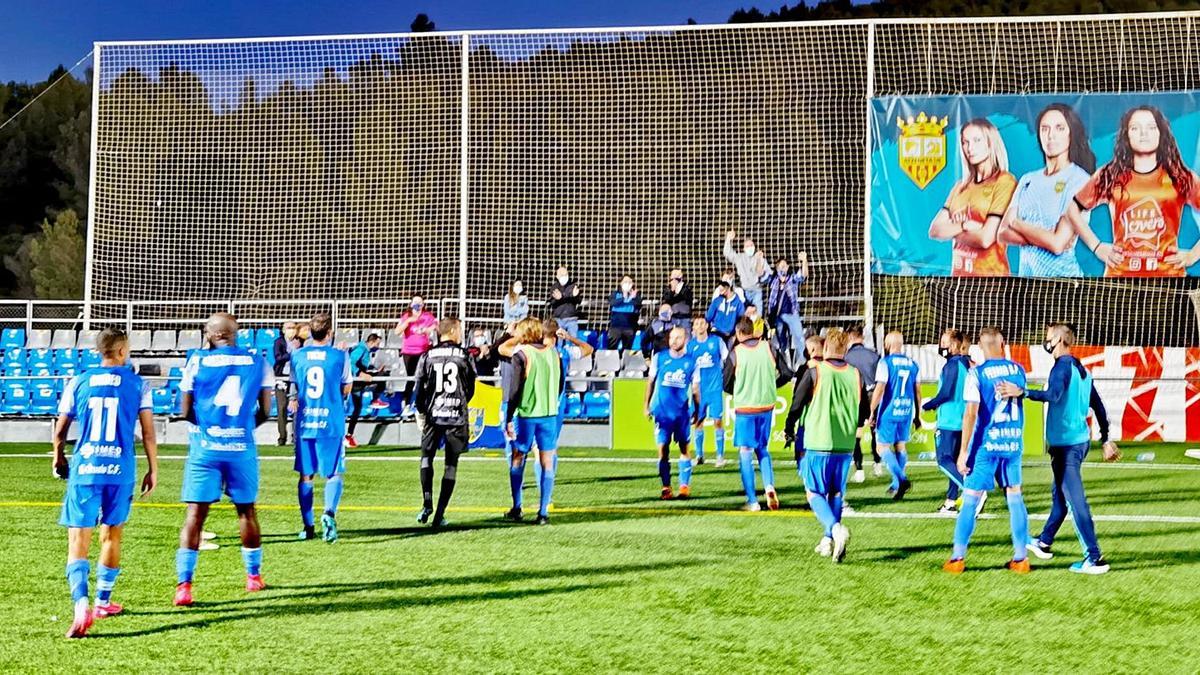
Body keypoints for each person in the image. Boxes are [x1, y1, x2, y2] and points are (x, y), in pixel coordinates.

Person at [53, 328, 158, 638]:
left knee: (78, 539)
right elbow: (149, 434)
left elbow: (60, 431)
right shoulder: (139, 384)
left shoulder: (78, 381)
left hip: (86, 467)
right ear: (123, 352)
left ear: (100, 351)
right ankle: (103, 601)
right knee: (111, 534)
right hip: (120, 469)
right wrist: (153, 469)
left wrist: (58, 457)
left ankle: (80, 604)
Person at [998, 323, 1120, 574]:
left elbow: (1053, 395)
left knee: (1076, 501)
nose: (1046, 342)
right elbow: (1099, 407)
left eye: (1048, 338)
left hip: (1066, 447)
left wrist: (1021, 392)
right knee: (1061, 497)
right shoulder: (1081, 369)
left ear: (1060, 340)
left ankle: (1093, 557)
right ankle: (1044, 541)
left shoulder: (1061, 368)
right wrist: (1105, 439)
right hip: (1077, 443)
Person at [174, 313, 274, 606]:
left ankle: (184, 586)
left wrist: (211, 427)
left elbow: (185, 410)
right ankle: (253, 577)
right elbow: (266, 411)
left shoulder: (197, 361)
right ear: (235, 333)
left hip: (205, 448)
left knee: (195, 515)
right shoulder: (259, 361)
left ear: (211, 334)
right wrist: (238, 429)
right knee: (246, 512)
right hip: (241, 448)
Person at [1062, 105, 1200, 277]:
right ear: (1127, 135)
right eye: (1136, 128)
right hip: (1120, 278)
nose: (1144, 133)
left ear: (1160, 133)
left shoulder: (1179, 176)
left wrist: (1193, 255)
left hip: (1169, 278)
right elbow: (1072, 210)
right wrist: (1097, 247)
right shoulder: (1110, 174)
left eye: (1151, 127)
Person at [943, 327, 1031, 575]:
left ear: (980, 346)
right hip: (1012, 443)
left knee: (970, 498)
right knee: (1015, 498)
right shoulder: (1018, 370)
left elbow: (971, 413)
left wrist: (963, 452)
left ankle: (957, 558)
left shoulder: (976, 374)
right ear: (1002, 342)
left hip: (987, 445)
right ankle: (1021, 558)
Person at [785, 329, 869, 564]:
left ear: (827, 347)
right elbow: (864, 410)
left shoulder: (816, 371)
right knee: (836, 493)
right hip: (845, 445)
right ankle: (827, 540)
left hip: (819, 441)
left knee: (813, 493)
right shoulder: (855, 374)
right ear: (844, 350)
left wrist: (789, 427)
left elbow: (797, 403)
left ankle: (834, 528)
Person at [999, 104, 1096, 277]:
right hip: (1027, 286)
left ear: (1071, 133)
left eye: (1059, 128)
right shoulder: (1027, 180)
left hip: (1064, 286)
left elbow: (1058, 244)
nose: (1051, 135)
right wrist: (1044, 238)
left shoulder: (1080, 181)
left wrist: (1017, 224)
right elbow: (1002, 233)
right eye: (1045, 129)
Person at [289, 313, 353, 542]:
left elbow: (295, 388)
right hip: (331, 422)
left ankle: (307, 527)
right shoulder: (339, 356)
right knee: (333, 472)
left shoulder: (297, 356)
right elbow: (346, 388)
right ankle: (329, 513)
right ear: (329, 333)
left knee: (306, 476)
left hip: (306, 422)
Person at [928, 118, 1018, 276]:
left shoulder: (1005, 181)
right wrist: (964, 225)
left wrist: (950, 230)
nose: (970, 148)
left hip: (991, 281)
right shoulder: (959, 187)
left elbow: (985, 238)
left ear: (990, 143)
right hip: (958, 280)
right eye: (965, 142)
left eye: (977, 140)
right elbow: (935, 231)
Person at [414, 318, 477, 528]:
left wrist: (423, 410)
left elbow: (419, 388)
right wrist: (458, 402)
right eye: (459, 329)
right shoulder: (465, 355)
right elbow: (471, 388)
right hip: (456, 416)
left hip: (433, 415)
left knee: (426, 458)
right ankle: (439, 515)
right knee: (451, 465)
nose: (461, 333)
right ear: (451, 331)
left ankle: (427, 502)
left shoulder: (427, 355)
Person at [503, 318, 565, 525]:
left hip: (527, 414)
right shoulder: (554, 353)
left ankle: (517, 506)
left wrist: (509, 417)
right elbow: (561, 383)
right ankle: (543, 512)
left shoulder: (522, 354)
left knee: (518, 457)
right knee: (547, 461)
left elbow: (514, 389)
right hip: (549, 414)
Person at [723, 316, 788, 511]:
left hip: (746, 408)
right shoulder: (769, 347)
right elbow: (786, 373)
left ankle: (752, 500)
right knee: (763, 448)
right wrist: (771, 385)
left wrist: (739, 390)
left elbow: (725, 382)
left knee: (745, 452)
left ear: (738, 332)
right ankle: (769, 487)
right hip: (766, 406)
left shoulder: (736, 353)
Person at [922, 329, 973, 514]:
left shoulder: (952, 365)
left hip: (949, 421)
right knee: (956, 462)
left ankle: (971, 490)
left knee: (944, 460)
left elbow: (946, 393)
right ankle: (951, 500)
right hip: (963, 420)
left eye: (943, 342)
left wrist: (929, 404)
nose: (940, 346)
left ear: (953, 345)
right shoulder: (966, 364)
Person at [646, 327, 700, 499]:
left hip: (682, 414)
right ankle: (666, 487)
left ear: (685, 340)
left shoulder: (692, 362)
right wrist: (646, 406)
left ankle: (684, 487)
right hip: (662, 412)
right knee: (663, 450)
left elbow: (696, 389)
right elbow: (650, 382)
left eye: (678, 337)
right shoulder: (659, 358)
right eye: (672, 338)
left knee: (685, 449)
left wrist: (697, 410)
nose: (674, 341)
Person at [868, 331, 921, 500]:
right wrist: (918, 414)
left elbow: (880, 388)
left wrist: (871, 410)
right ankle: (896, 485)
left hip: (889, 411)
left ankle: (902, 479)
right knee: (900, 446)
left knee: (881, 447)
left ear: (887, 344)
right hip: (906, 410)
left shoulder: (885, 363)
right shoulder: (913, 364)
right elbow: (917, 391)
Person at [688, 317, 729, 467]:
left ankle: (720, 456)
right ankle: (699, 455)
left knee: (718, 421)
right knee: (698, 422)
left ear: (707, 326)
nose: (699, 326)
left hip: (715, 388)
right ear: (693, 327)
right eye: (696, 323)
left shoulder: (716, 342)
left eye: (702, 323)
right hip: (698, 390)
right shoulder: (690, 346)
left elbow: (727, 359)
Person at [844, 327, 883, 481]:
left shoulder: (846, 357)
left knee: (856, 434)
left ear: (850, 337)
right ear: (862, 337)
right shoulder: (874, 355)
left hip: (856, 397)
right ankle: (877, 464)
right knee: (875, 431)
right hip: (874, 395)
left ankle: (859, 470)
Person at [783, 333, 826, 468]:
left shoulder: (807, 369)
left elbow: (798, 399)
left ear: (812, 350)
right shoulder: (830, 368)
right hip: (828, 421)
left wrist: (790, 423)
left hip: (808, 419)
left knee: (803, 455)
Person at [394, 294, 438, 418]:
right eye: (415, 302)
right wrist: (408, 321)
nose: (418, 305)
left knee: (423, 378)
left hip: (423, 351)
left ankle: (421, 405)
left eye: (420, 302)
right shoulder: (406, 316)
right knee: (411, 378)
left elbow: (435, 325)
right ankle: (407, 404)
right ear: (411, 303)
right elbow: (397, 332)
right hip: (408, 352)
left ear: (423, 304)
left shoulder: (427, 316)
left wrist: (429, 329)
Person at [762, 253, 809, 357]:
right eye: (780, 266)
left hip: (792, 313)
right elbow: (761, 275)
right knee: (781, 338)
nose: (783, 268)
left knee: (799, 337)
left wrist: (804, 261)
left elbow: (803, 275)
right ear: (777, 268)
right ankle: (784, 360)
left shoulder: (792, 279)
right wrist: (760, 259)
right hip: (778, 315)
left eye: (785, 265)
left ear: (788, 267)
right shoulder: (773, 280)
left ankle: (802, 359)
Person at [345, 333, 385, 448]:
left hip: (357, 380)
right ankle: (375, 399)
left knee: (357, 409)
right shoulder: (361, 349)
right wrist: (360, 373)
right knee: (382, 378)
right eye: (377, 344)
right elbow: (351, 362)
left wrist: (374, 371)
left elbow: (362, 366)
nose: (378, 346)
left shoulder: (366, 351)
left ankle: (349, 435)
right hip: (354, 381)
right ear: (371, 342)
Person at [724, 230, 769, 309]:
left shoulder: (760, 258)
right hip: (744, 291)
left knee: (758, 317)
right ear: (744, 248)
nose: (750, 247)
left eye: (751, 245)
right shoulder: (739, 258)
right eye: (747, 246)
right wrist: (728, 239)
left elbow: (761, 274)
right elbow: (727, 253)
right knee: (744, 317)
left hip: (757, 291)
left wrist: (759, 260)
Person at [272, 321, 298, 445]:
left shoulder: (300, 342)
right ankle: (282, 437)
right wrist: (291, 354)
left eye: (293, 328)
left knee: (296, 408)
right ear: (283, 330)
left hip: (295, 378)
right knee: (281, 407)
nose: (291, 330)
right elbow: (278, 358)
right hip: (281, 377)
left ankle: (295, 436)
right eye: (288, 328)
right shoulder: (279, 342)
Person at [607, 275, 644, 352]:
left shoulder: (635, 294)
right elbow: (613, 303)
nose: (628, 284)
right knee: (612, 348)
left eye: (629, 282)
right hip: (615, 327)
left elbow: (638, 304)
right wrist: (624, 297)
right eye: (625, 282)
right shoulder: (615, 294)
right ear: (621, 283)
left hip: (629, 327)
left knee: (627, 349)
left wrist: (632, 297)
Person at [705, 280, 745, 346]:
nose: (720, 293)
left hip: (730, 335)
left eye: (722, 290)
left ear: (728, 288)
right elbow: (709, 316)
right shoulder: (717, 301)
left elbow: (741, 319)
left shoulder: (738, 303)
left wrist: (736, 334)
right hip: (716, 332)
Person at [548, 266, 583, 337]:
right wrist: (561, 298)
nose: (564, 276)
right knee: (559, 341)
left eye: (566, 274)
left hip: (571, 318)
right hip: (558, 319)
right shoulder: (554, 287)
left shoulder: (573, 286)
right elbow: (552, 302)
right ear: (557, 276)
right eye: (562, 275)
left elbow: (578, 301)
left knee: (573, 340)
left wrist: (574, 296)